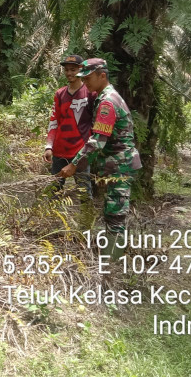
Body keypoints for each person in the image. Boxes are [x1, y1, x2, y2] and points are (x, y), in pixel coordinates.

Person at [58, 58, 142, 260]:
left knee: (115, 213)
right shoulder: (104, 96)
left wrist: (74, 164)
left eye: (88, 78)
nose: (85, 83)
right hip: (116, 164)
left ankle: (111, 263)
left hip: (120, 165)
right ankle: (111, 256)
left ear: (102, 75)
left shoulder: (107, 103)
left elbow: (97, 141)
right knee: (112, 210)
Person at [43, 54, 94, 202]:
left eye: (73, 69)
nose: (69, 73)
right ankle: (51, 222)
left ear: (81, 70)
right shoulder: (60, 94)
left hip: (81, 151)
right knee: (53, 191)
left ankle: (86, 223)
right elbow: (53, 121)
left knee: (85, 192)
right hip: (60, 151)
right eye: (67, 70)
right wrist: (49, 146)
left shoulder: (90, 93)